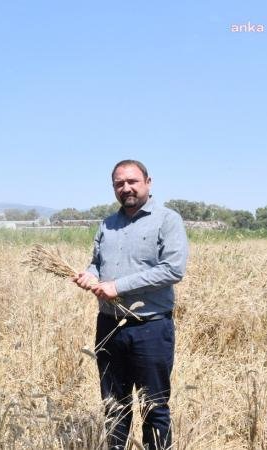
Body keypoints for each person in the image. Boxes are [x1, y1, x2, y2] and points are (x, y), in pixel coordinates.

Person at [72, 160, 188, 450]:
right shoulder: (107, 224)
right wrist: (90, 275)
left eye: (132, 181)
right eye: (119, 184)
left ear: (148, 181)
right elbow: (97, 262)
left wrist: (118, 286)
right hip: (110, 326)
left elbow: (173, 269)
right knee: (114, 406)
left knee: (154, 407)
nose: (126, 188)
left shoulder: (167, 220)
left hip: (150, 327)